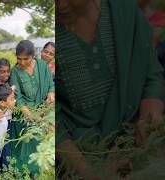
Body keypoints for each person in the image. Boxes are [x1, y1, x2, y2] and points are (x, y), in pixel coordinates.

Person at [57, 0, 165, 179]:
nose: (61, 6)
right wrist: (88, 172)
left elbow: (151, 72)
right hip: (76, 158)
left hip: (135, 147)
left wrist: (150, 119)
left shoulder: (124, 10)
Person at [9, 40, 55, 176]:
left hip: (43, 111)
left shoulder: (42, 66)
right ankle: (22, 173)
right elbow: (18, 98)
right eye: (19, 59)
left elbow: (51, 85)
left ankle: (37, 172)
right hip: (25, 115)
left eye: (26, 59)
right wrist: (31, 115)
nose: (22, 62)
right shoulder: (15, 72)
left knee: (39, 146)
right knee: (25, 147)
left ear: (33, 56)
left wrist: (50, 94)